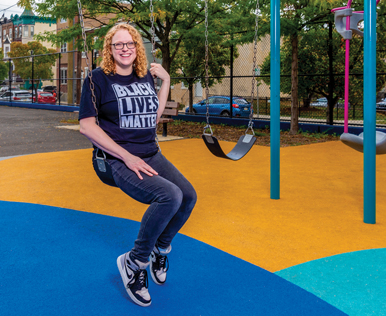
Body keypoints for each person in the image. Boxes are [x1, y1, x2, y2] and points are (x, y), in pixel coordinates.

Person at [78, 23, 197, 307]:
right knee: (170, 196)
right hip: (117, 158)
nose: (125, 48)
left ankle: (160, 247)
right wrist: (126, 157)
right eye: (118, 44)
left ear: (137, 47)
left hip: (150, 152)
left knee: (188, 196)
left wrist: (166, 81)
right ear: (110, 49)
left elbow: (151, 119)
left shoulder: (144, 76)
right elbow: (86, 126)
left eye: (130, 43)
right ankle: (135, 261)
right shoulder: (97, 79)